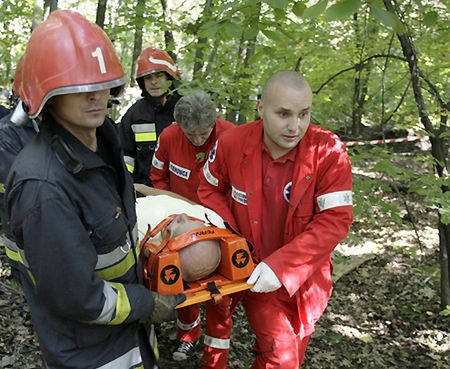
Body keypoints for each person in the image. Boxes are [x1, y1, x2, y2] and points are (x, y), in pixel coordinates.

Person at [4, 10, 185, 369]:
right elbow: (78, 297)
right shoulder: (43, 186)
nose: (95, 95)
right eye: (77, 87)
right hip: (90, 355)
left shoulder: (104, 141)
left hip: (132, 341)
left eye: (101, 84)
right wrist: (148, 303)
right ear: (47, 96)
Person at [198, 70, 354, 368]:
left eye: (304, 114)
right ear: (260, 108)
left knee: (293, 348)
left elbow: (336, 219)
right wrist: (233, 238)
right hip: (256, 273)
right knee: (281, 359)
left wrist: (283, 267)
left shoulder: (329, 151)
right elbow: (208, 189)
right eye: (283, 114)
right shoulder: (233, 143)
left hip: (308, 278)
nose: (295, 126)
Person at [150, 91, 235, 364]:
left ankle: (215, 357)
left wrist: (223, 221)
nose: (198, 140)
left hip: (219, 224)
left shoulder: (231, 137)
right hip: (180, 225)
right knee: (182, 286)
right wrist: (171, 212)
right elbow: (157, 177)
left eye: (204, 134)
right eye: (191, 135)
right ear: (180, 127)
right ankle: (188, 336)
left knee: (219, 294)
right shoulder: (168, 137)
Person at [119, 47, 182, 187]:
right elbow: (125, 155)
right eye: (148, 78)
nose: (153, 82)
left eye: (159, 76)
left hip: (179, 193)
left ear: (169, 78)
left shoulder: (184, 110)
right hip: (143, 191)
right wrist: (127, 185)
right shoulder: (134, 115)